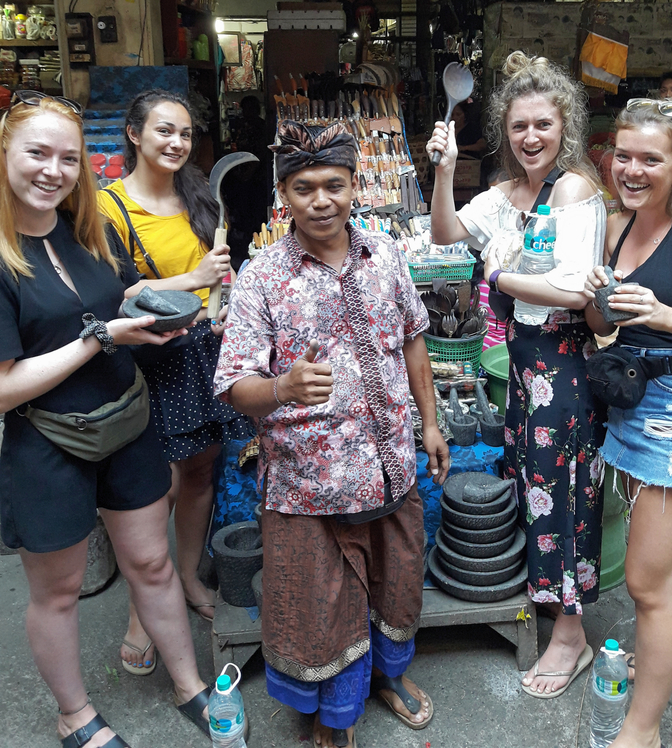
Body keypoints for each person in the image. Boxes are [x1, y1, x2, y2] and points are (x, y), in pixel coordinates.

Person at [214, 120, 450, 748]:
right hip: (308, 482)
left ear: (354, 187)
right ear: (283, 196)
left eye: (334, 186)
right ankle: (334, 713)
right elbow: (234, 384)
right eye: (304, 188)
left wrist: (429, 423)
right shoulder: (262, 277)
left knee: (397, 582)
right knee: (319, 605)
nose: (321, 201)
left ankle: (389, 676)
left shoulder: (385, 256)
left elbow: (413, 340)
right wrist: (283, 387)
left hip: (389, 462)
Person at [0, 92, 213, 747]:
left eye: (68, 158)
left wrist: (154, 315)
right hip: (48, 439)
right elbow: (4, 390)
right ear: (4, 152)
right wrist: (101, 338)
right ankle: (75, 715)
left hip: (126, 420)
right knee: (59, 592)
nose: (53, 171)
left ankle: (189, 685)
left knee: (152, 564)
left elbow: (118, 295)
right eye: (37, 153)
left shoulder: (85, 228)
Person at [426, 51, 606, 698]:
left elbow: (573, 291)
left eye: (543, 125)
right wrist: (444, 170)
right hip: (525, 367)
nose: (531, 137)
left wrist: (497, 275)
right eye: (519, 126)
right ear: (505, 130)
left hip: (564, 365)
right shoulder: (505, 195)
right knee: (533, 486)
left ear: (565, 126)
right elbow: (446, 233)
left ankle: (572, 634)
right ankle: (550, 602)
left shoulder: (575, 191)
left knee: (565, 492)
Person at [97, 88, 250, 674]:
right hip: (148, 357)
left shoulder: (198, 196)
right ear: (134, 134)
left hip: (203, 350)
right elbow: (114, 295)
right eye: (164, 130)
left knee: (201, 471)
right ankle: (144, 608)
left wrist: (222, 297)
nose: (177, 142)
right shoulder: (109, 207)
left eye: (185, 133)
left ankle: (186, 576)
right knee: (152, 487)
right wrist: (194, 277)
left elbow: (216, 280)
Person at [583, 97, 672, 748]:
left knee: (645, 584)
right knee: (671, 559)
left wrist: (665, 316)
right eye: (623, 156)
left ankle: (641, 732)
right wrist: (597, 300)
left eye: (650, 160)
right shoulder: (615, 225)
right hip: (634, 403)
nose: (631, 170)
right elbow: (603, 323)